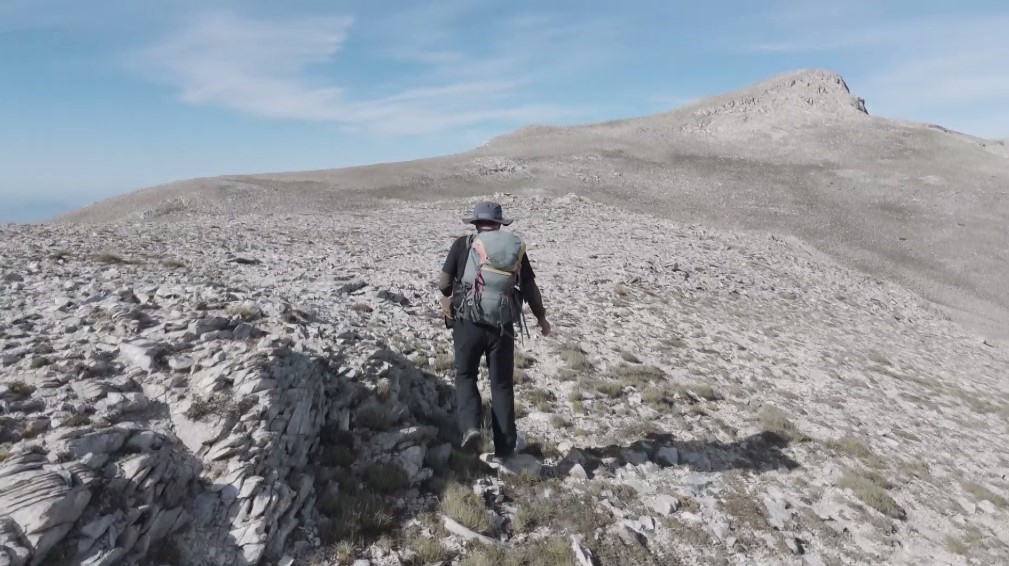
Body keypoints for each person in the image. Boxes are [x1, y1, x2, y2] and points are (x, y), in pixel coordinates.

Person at [437, 201, 550, 461]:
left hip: (468, 323)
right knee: (501, 385)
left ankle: (471, 428)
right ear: (499, 224)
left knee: (465, 375)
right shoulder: (514, 249)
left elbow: (444, 284)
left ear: (476, 222)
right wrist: (542, 319)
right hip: (502, 326)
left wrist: (449, 295)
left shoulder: (463, 244)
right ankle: (505, 449)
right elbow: (530, 288)